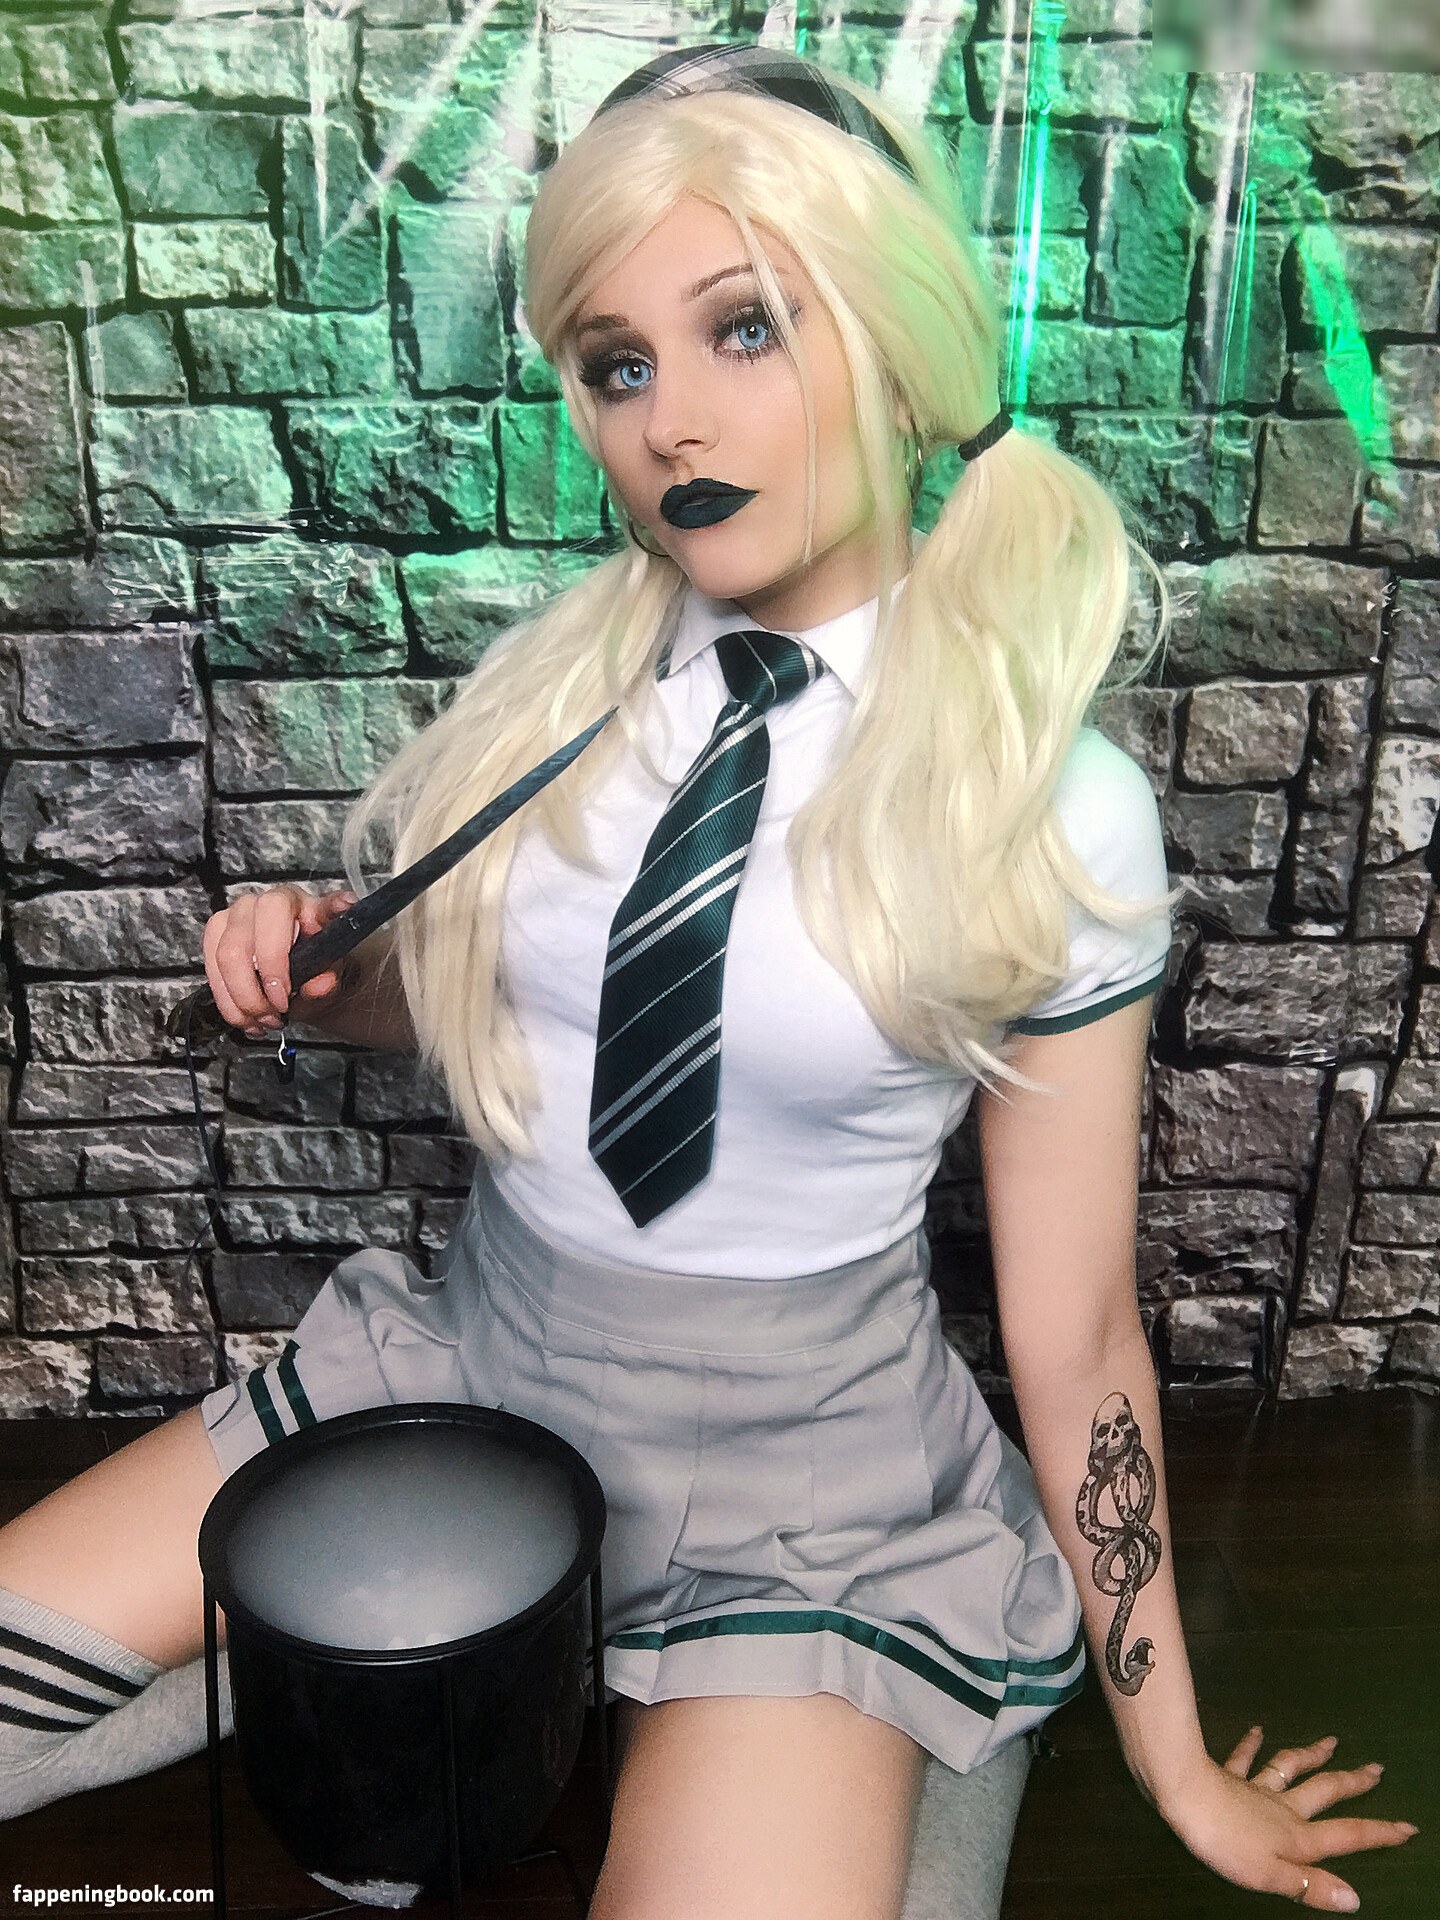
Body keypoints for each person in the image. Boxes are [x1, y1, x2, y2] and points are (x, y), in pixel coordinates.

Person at [0, 44, 1416, 1920]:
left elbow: (1076, 1332)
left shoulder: (1050, 805)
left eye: (744, 327)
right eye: (618, 363)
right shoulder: (554, 694)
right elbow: (514, 1009)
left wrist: (1174, 1757)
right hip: (478, 1363)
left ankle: (760, 1715)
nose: (672, 420)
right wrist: (325, 983)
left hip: (803, 1479)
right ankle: (414, 1679)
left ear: (894, 334)